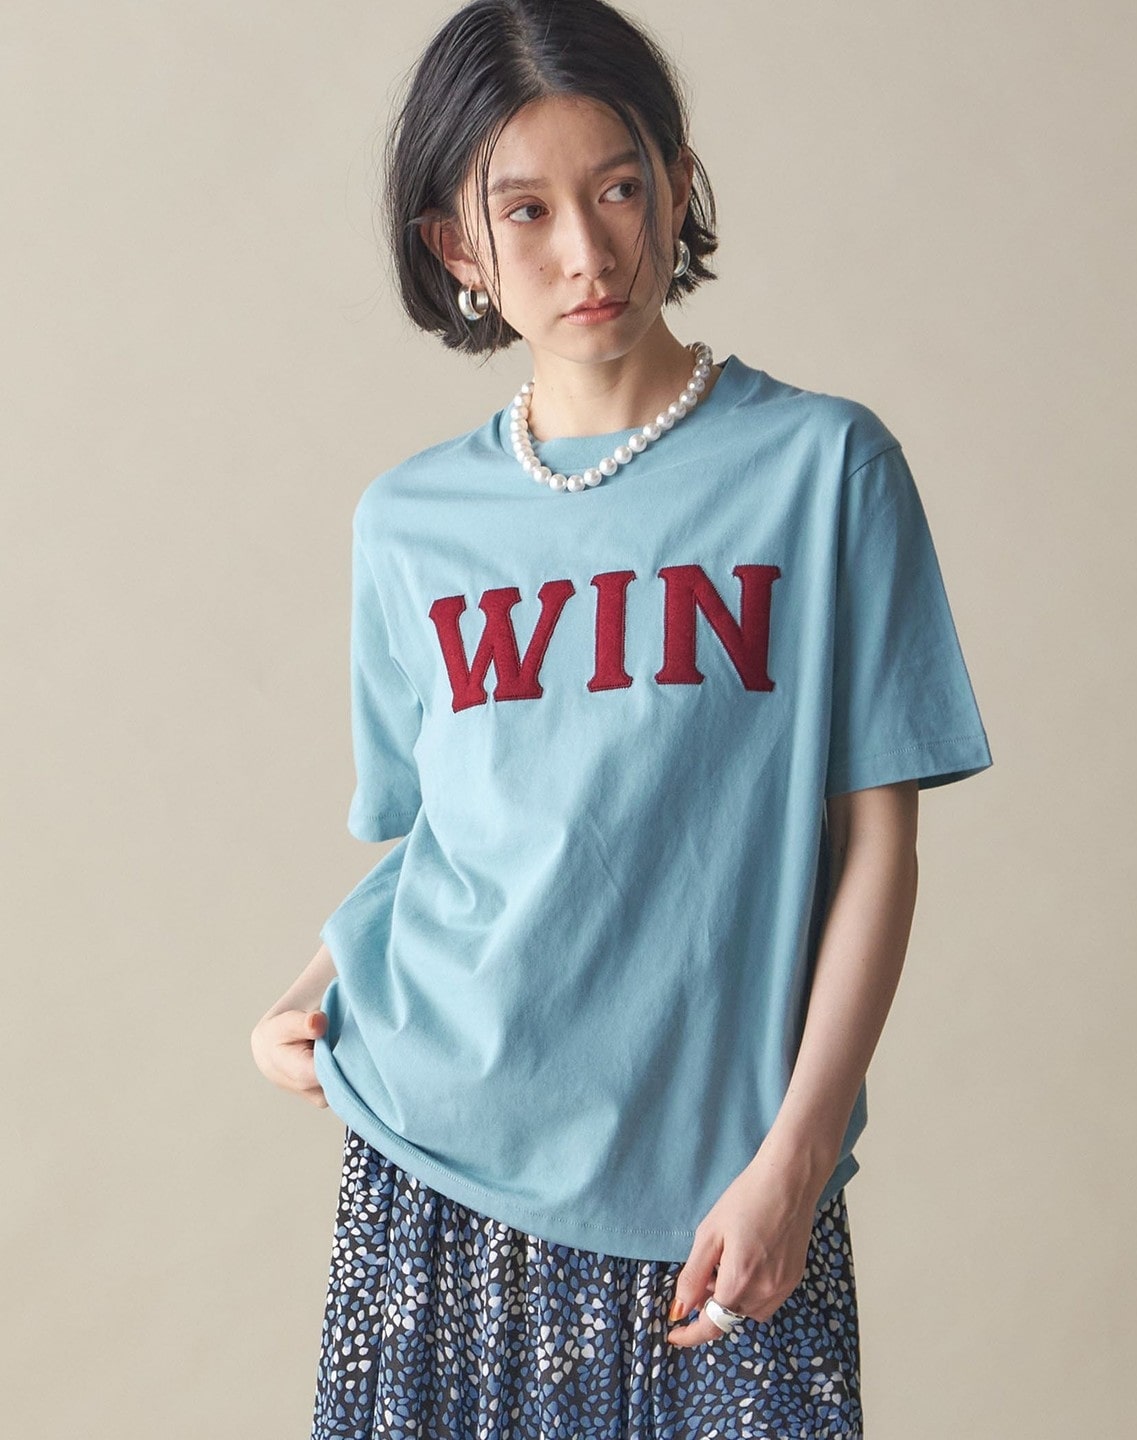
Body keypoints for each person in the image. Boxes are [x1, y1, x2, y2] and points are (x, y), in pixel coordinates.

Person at [250, 0, 993, 1435]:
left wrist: (796, 1162)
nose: (587, 253)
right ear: (457, 250)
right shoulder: (407, 523)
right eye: (525, 212)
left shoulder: (823, 470)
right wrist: (307, 993)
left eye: (619, 189)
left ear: (678, 183)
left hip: (720, 1196)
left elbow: (877, 848)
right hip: (436, 1184)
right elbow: (449, 839)